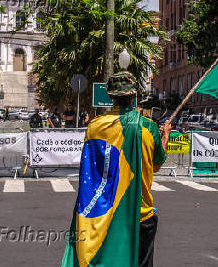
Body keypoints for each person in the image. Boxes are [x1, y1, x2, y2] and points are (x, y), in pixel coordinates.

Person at [61, 71, 171, 267]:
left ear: (110, 96)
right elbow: (155, 167)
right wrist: (165, 137)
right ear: (134, 96)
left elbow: (93, 171)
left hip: (104, 214)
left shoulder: (94, 126)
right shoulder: (148, 127)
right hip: (140, 214)